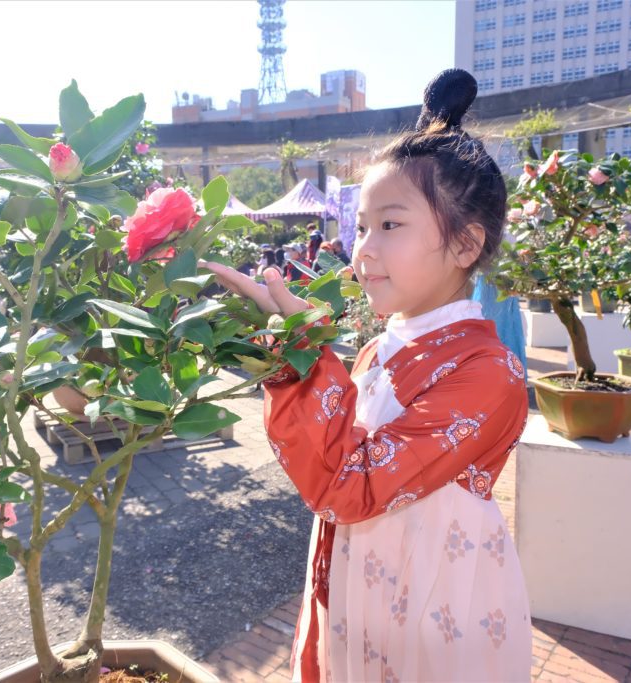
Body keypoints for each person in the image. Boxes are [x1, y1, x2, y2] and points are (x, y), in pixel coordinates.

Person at [205, 69, 530, 682]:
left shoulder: (489, 374)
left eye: (390, 224)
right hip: (363, 583)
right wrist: (292, 348)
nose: (362, 251)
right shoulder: (379, 348)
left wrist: (301, 349)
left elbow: (349, 485)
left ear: (466, 245)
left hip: (433, 605)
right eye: (360, 226)